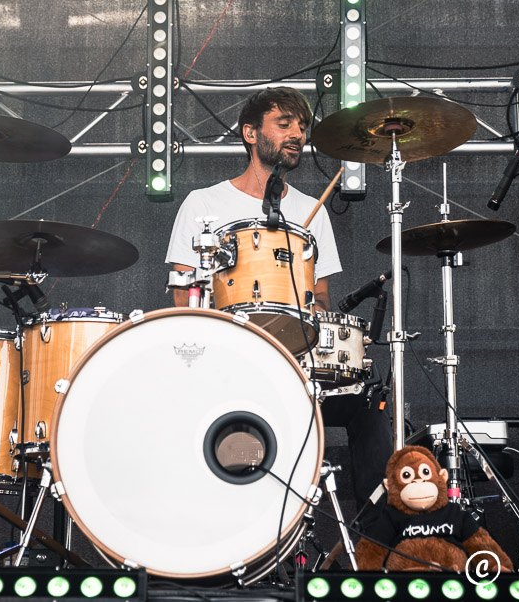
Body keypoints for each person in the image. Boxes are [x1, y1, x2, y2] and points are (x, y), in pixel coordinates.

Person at [164, 86, 394, 509]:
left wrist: (307, 326)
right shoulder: (204, 203)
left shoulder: (312, 211)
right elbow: (182, 296)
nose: (297, 134)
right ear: (250, 133)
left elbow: (320, 297)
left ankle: (377, 533)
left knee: (368, 401)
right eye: (284, 124)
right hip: (226, 364)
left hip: (295, 362)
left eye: (302, 127)